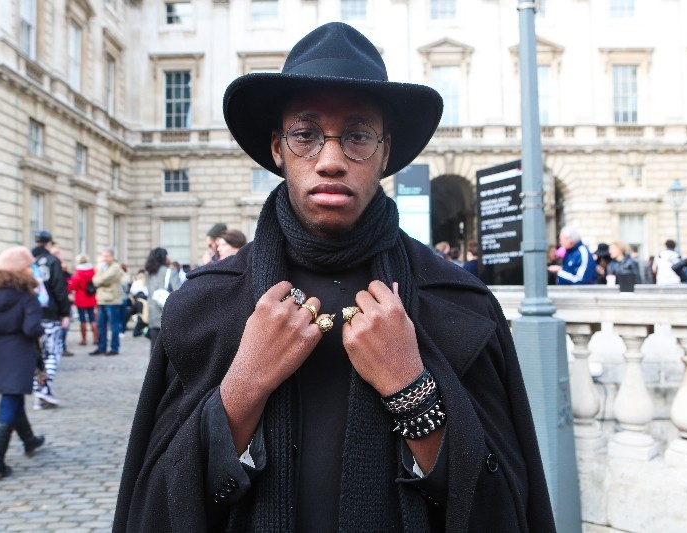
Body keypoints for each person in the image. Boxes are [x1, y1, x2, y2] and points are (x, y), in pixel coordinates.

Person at [114, 22, 554, 532]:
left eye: (358, 136)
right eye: (305, 135)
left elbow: (504, 509)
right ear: (278, 148)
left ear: (386, 153)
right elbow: (155, 508)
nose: (330, 161)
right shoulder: (203, 306)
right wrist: (245, 384)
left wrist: (411, 390)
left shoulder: (459, 306)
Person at [0, 246, 46, 481]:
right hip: (18, 351)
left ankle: (29, 440)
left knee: (13, 396)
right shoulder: (26, 295)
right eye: (28, 266)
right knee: (10, 401)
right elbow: (31, 328)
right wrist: (40, 327)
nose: (32, 269)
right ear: (19, 269)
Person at [31, 230, 71, 409]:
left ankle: (41, 394)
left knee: (38, 355)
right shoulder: (53, 261)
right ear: (49, 244)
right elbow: (59, 289)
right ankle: (42, 389)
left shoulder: (28, 262)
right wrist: (65, 313)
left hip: (31, 313)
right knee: (53, 352)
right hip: (50, 314)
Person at [143, 247, 182, 353]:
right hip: (167, 315)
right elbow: (178, 292)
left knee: (154, 350)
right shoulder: (170, 272)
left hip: (153, 315)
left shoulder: (148, 273)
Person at [90, 250, 124, 356]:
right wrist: (99, 280)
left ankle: (114, 348)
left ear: (112, 257)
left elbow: (104, 279)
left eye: (107, 256)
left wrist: (99, 280)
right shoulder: (102, 267)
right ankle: (102, 347)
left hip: (112, 300)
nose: (105, 258)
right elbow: (95, 280)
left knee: (113, 326)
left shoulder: (115, 267)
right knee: (101, 325)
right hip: (101, 299)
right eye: (103, 256)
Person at [66, 254, 98, 346]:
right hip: (91, 296)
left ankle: (84, 339)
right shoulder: (93, 271)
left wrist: (68, 288)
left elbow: (73, 285)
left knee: (82, 319)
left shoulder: (78, 272)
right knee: (92, 318)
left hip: (81, 296)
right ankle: (95, 338)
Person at [51, 246, 74, 356]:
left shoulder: (62, 270)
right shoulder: (53, 268)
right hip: (56, 302)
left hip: (63, 301)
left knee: (64, 326)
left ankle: (62, 347)